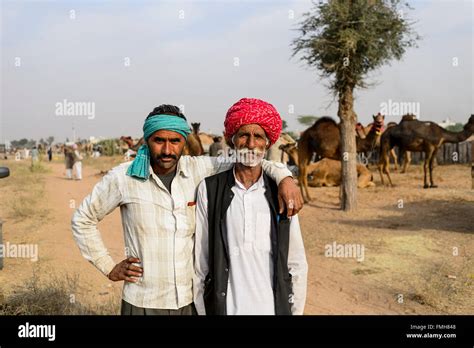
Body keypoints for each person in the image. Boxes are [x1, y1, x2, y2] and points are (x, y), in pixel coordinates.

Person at [71, 104, 303, 316]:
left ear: (184, 142)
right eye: (159, 140)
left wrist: (285, 177)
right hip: (142, 300)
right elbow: (83, 219)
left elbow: (250, 159)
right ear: (146, 140)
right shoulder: (123, 177)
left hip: (187, 302)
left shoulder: (198, 169)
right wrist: (107, 265)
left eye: (175, 141)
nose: (167, 150)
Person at [194, 98, 308, 315]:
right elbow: (201, 263)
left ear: (267, 143)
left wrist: (296, 312)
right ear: (232, 140)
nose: (251, 143)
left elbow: (296, 263)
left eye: (258, 136)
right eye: (244, 135)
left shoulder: (282, 193)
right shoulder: (209, 190)